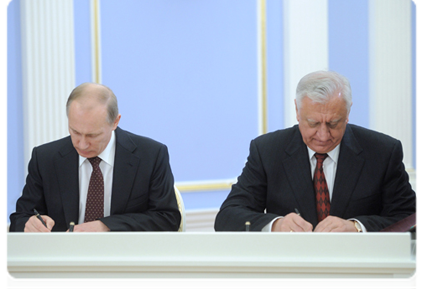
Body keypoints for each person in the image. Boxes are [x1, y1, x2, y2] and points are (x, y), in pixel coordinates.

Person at [215, 70, 419, 232]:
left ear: (347, 113)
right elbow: (228, 217)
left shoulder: (382, 151)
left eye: (333, 123)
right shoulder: (267, 151)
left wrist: (357, 227)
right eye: (313, 123)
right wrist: (277, 225)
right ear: (297, 111)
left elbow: (411, 220)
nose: (323, 135)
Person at [10, 83, 181, 232]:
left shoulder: (150, 155)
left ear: (115, 122)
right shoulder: (45, 158)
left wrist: (106, 226)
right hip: (64, 262)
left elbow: (167, 218)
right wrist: (29, 224)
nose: (82, 144)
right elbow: (20, 218)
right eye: (75, 132)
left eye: (93, 135)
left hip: (127, 261)